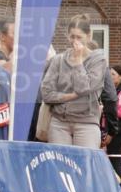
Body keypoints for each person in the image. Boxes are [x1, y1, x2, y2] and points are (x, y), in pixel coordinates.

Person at [40, 14, 107, 149]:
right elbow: (46, 93)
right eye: (72, 37)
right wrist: (70, 96)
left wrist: (78, 62)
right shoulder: (58, 60)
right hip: (59, 122)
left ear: (88, 36)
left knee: (84, 160)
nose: (75, 41)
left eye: (79, 37)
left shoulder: (98, 61)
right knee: (60, 160)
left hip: (86, 122)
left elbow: (83, 88)